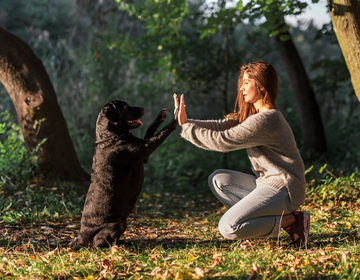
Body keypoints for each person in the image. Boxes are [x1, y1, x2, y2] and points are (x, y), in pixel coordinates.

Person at [173, 61, 310, 248]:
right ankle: (256, 226)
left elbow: (222, 140)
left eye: (246, 82)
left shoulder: (267, 119)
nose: (241, 88)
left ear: (261, 85)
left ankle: (291, 221)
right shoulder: (257, 116)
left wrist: (187, 128)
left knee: (228, 227)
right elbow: (222, 126)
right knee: (219, 180)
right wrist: (187, 122)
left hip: (285, 189)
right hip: (268, 184)